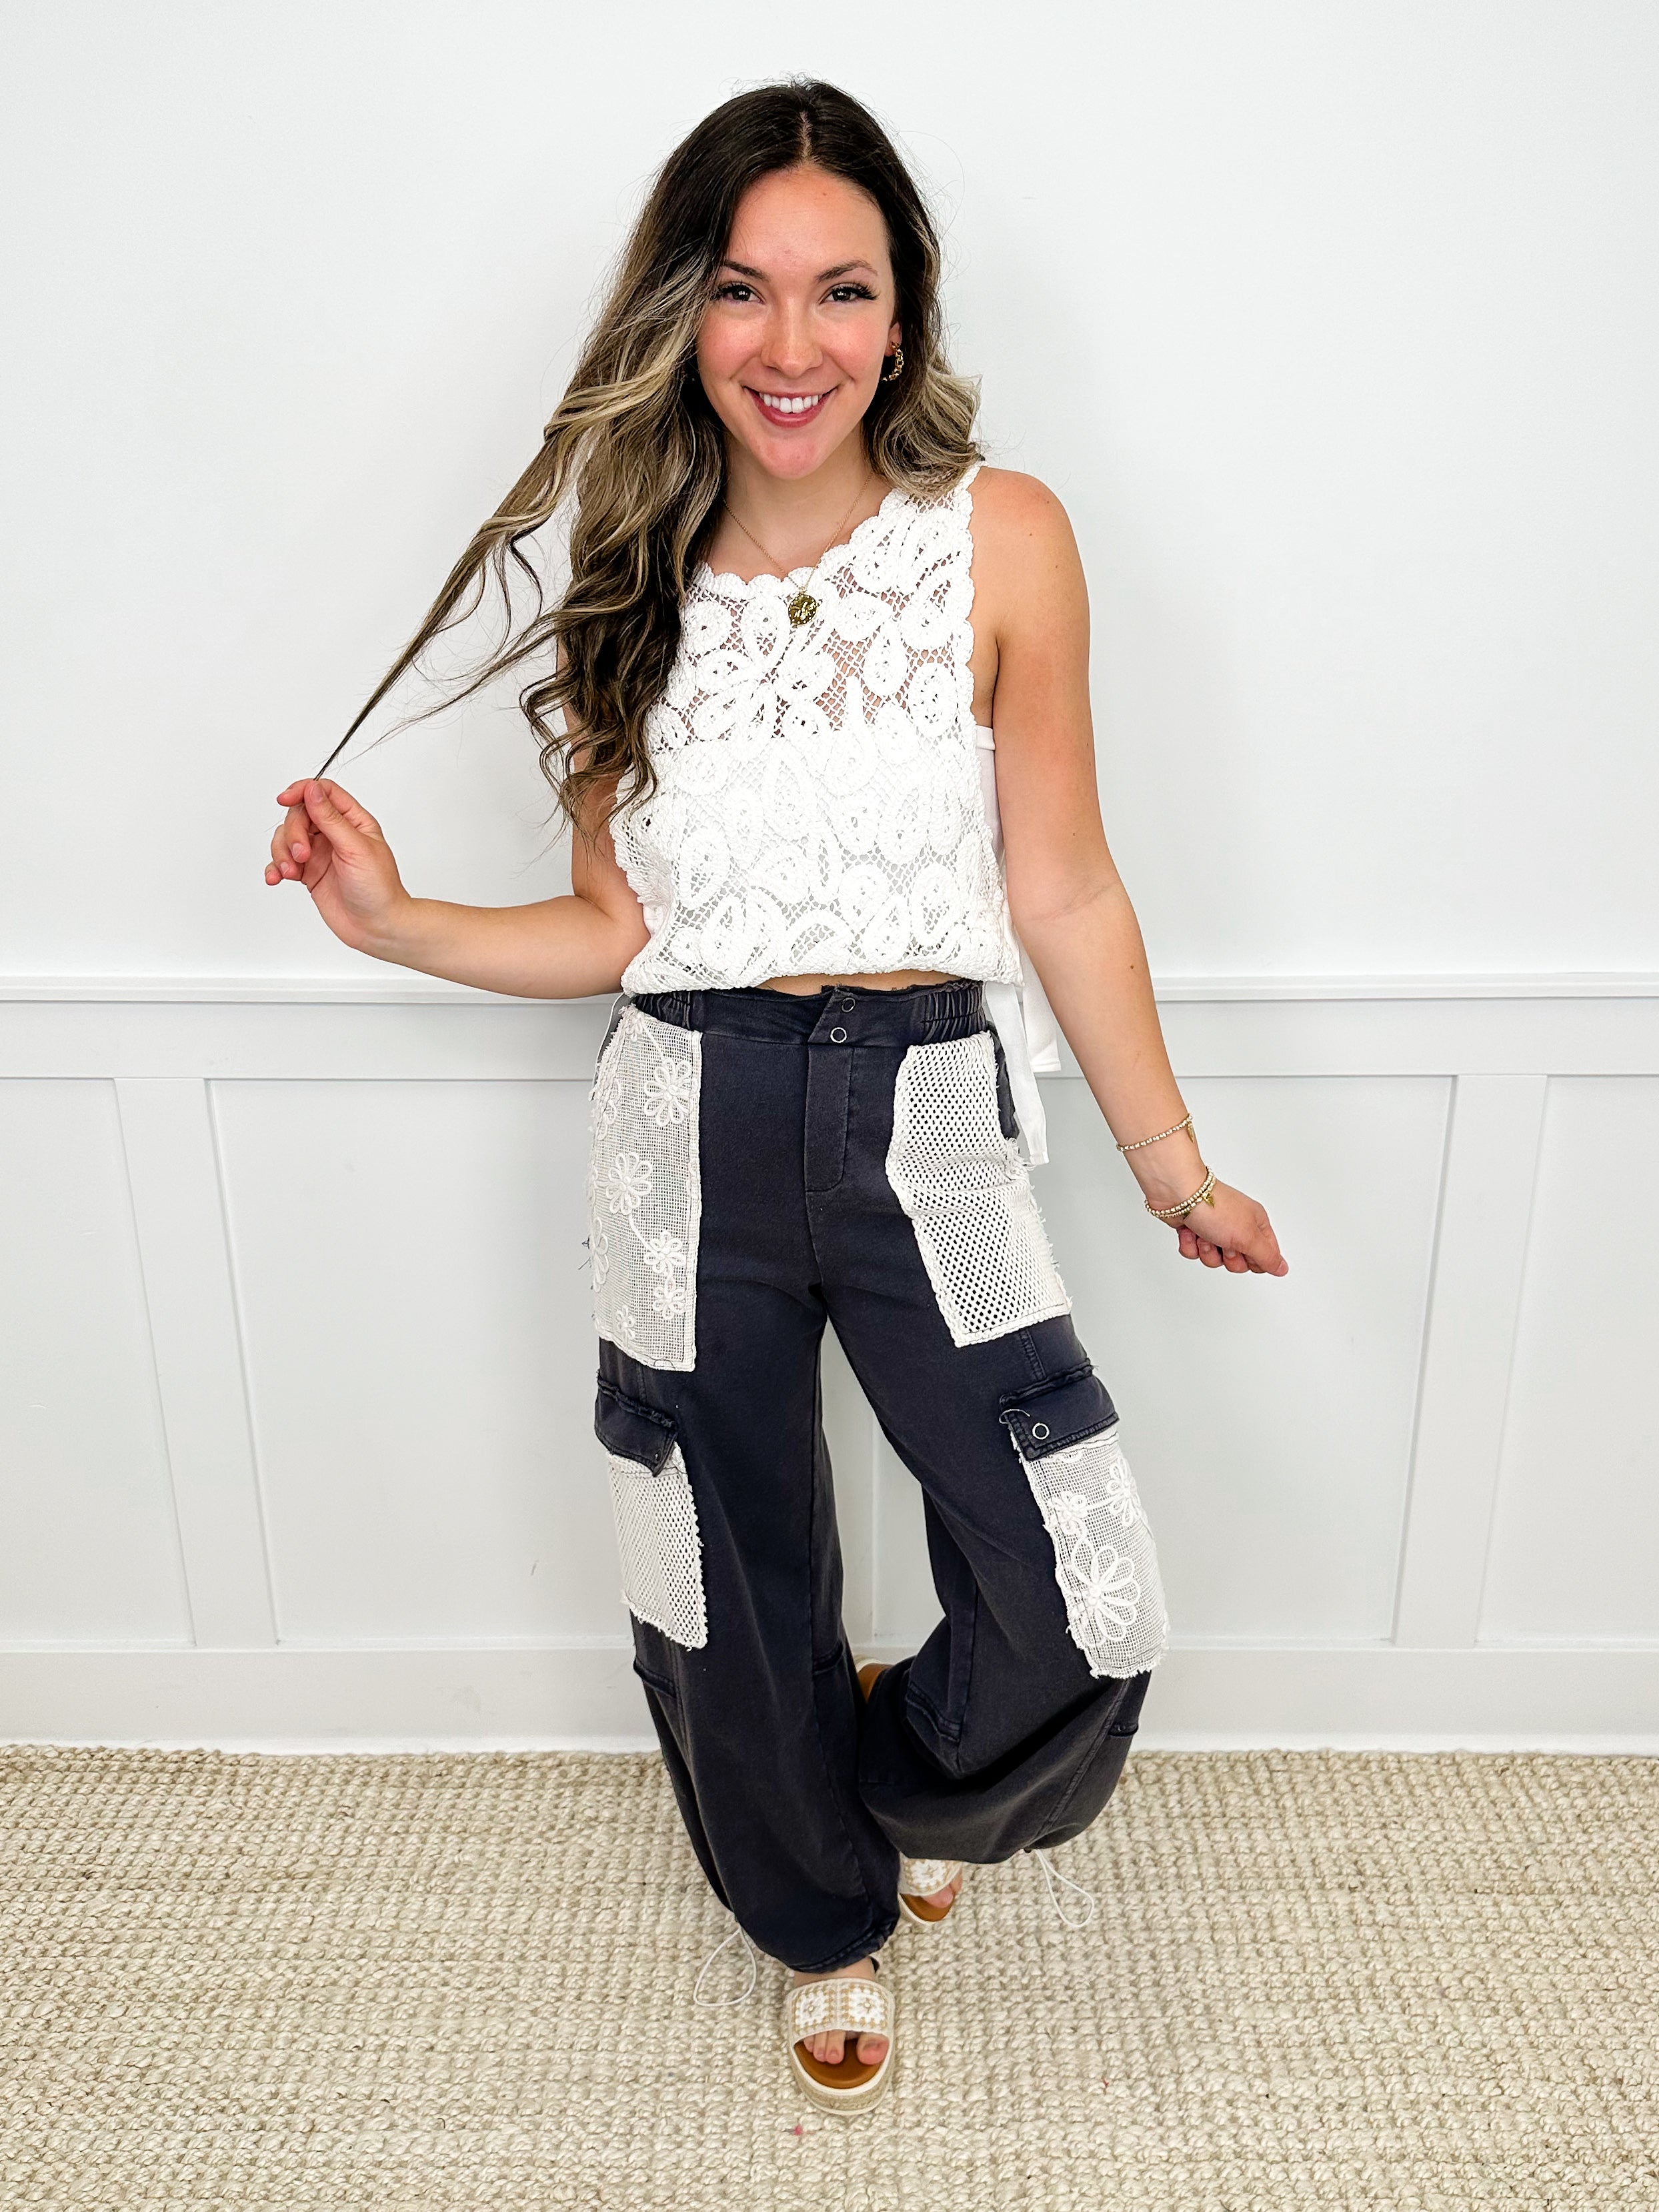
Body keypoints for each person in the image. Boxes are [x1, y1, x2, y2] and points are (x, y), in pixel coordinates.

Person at [265, 79, 1288, 2115]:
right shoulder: (630, 571)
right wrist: (393, 923)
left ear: (904, 319)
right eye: (744, 289)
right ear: (685, 310)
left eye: (843, 290)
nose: (792, 343)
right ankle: (816, 1915)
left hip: (928, 1112)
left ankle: (892, 1786)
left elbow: (1065, 885)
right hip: (687, 1118)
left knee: (1079, 1588)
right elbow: (614, 929)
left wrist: (1173, 1163)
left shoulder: (1003, 541)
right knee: (719, 1563)